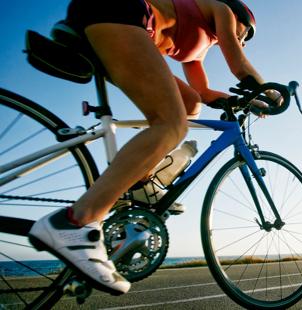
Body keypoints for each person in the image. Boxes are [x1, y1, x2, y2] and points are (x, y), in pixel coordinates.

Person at [28, 0, 280, 295]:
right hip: (123, 13)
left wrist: (241, 100)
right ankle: (75, 221)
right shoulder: (220, 8)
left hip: (119, 23)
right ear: (239, 16)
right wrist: (272, 93)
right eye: (245, 33)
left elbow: (201, 92)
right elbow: (238, 64)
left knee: (187, 105)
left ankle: (139, 178)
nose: (242, 41)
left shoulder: (196, 50)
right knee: (171, 125)